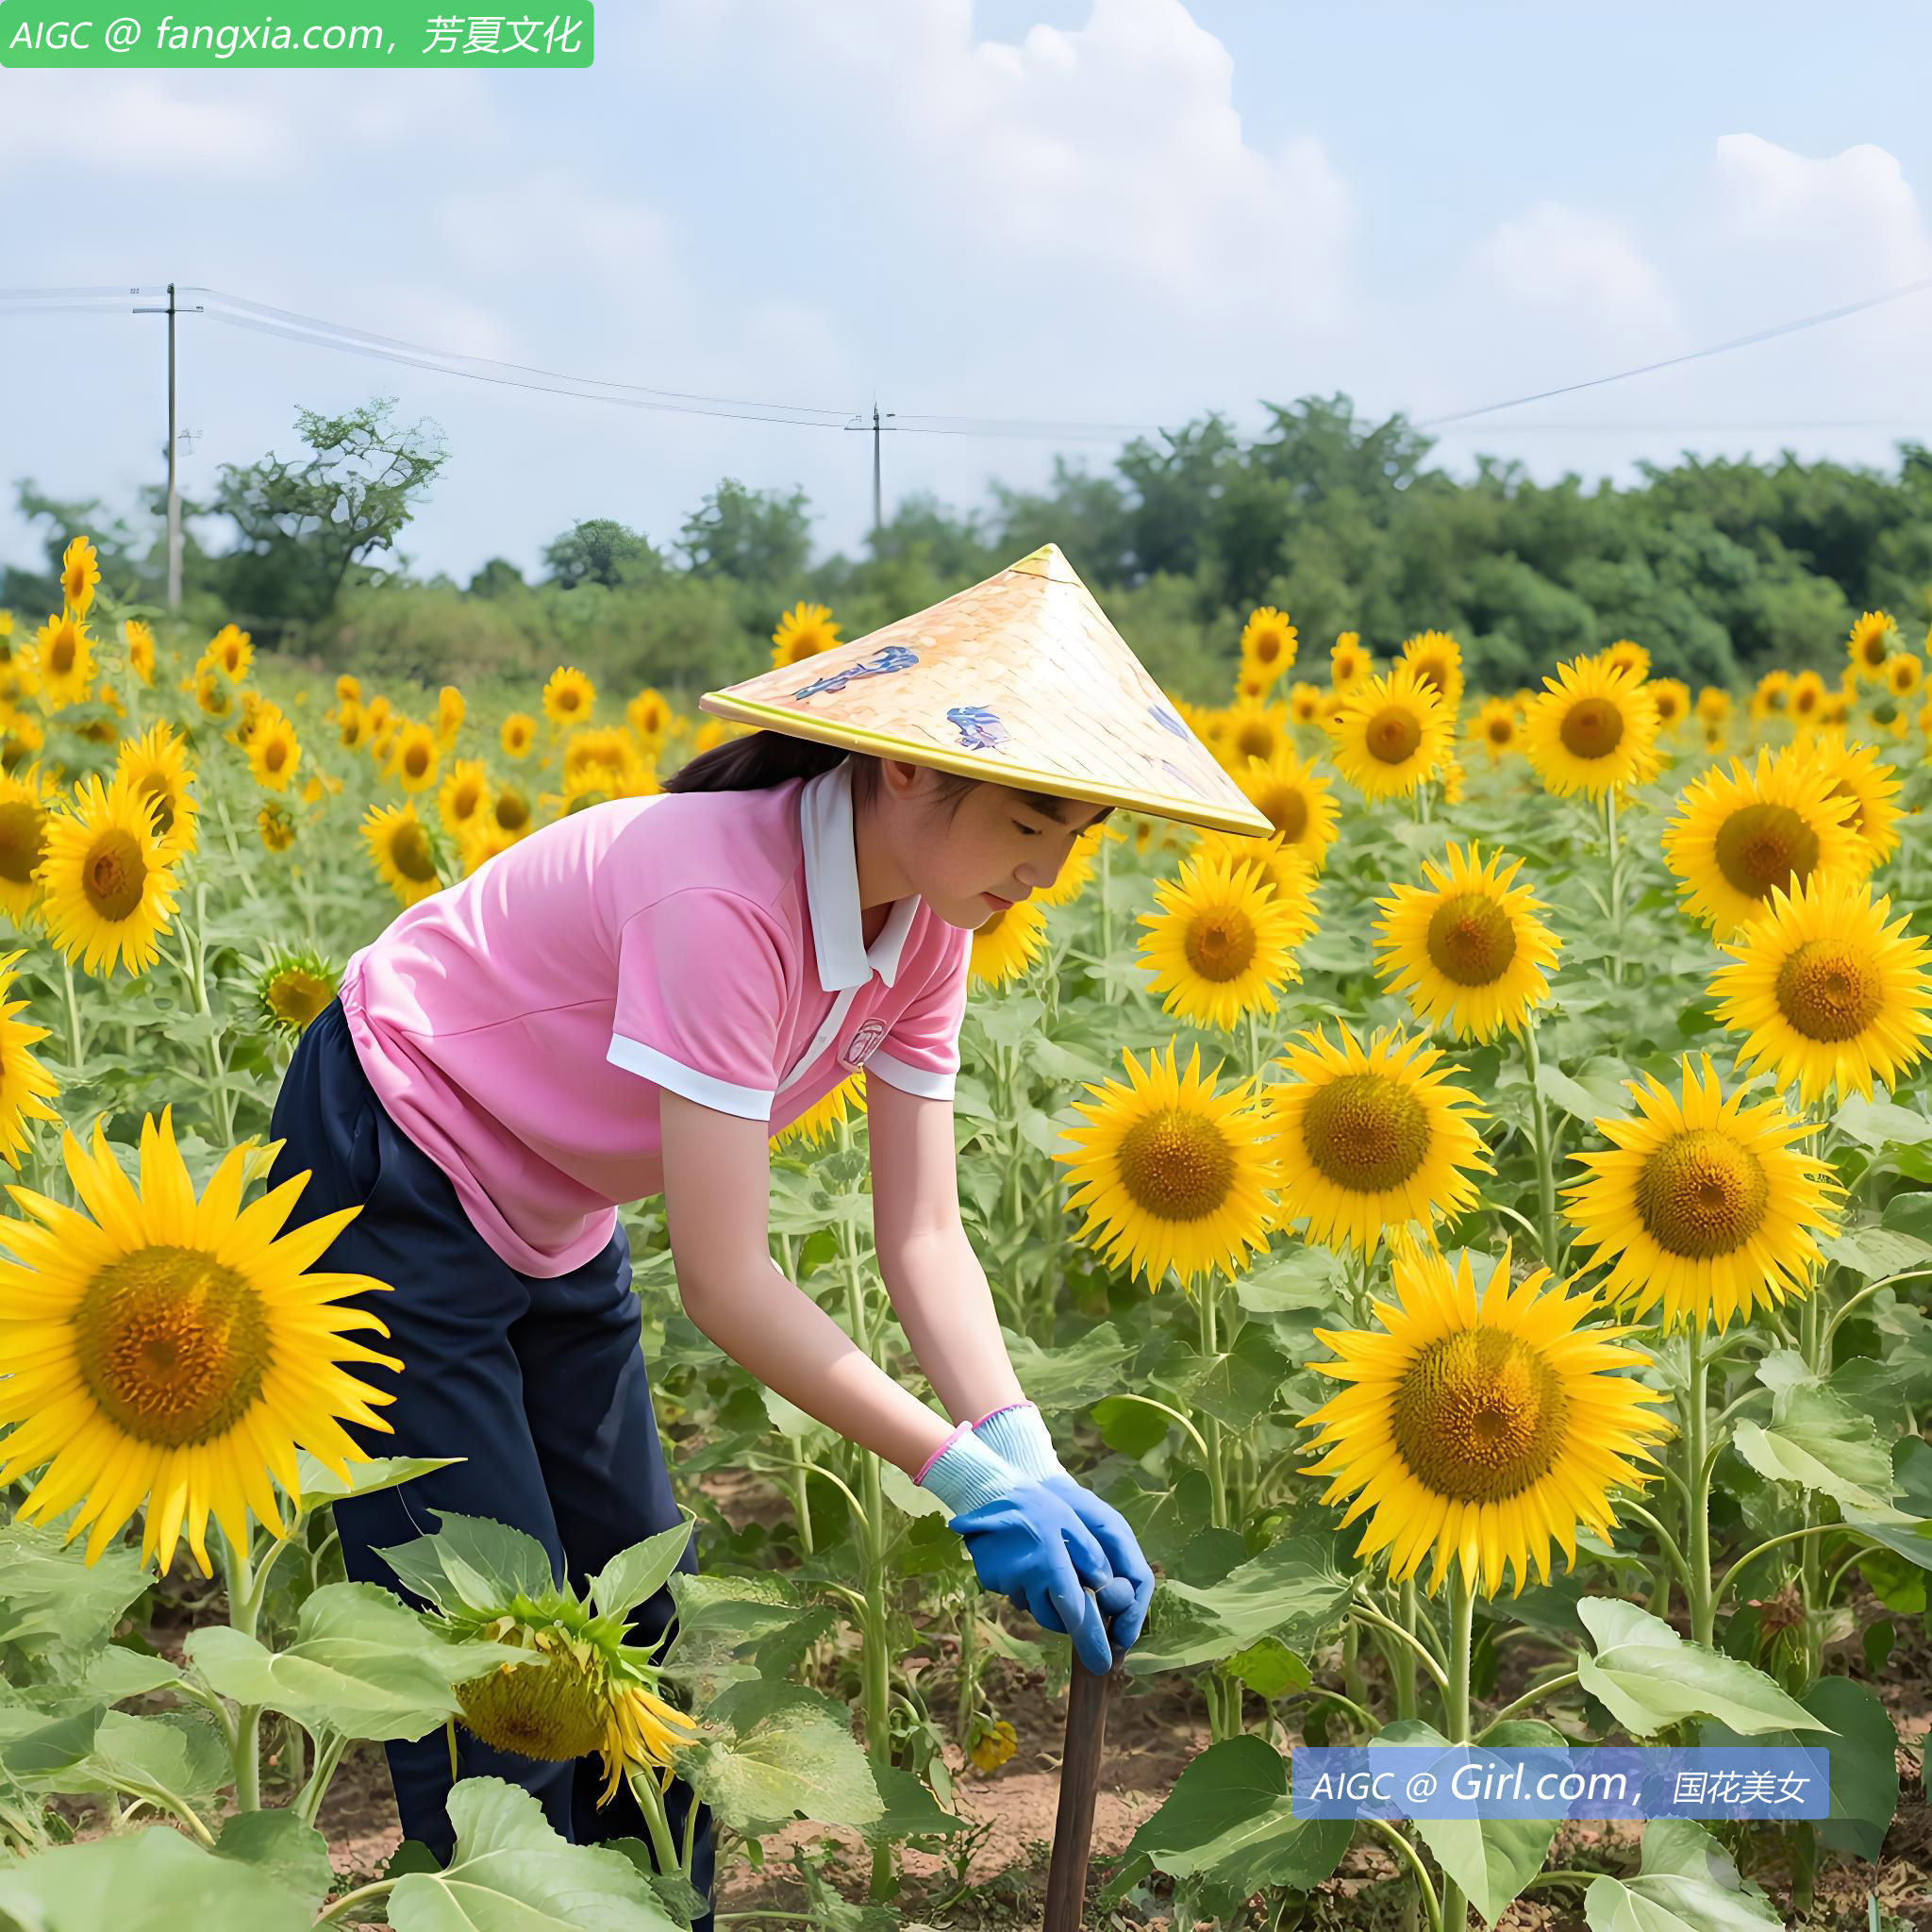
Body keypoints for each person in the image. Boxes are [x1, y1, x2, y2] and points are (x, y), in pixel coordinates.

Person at [265, 542, 1272, 1929]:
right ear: (907, 766)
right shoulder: (718, 893)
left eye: (1076, 836)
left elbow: (920, 1230)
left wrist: (1021, 1442)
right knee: (495, 1663)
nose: (1047, 869)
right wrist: (957, 1475)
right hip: (391, 1158)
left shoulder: (928, 925)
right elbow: (729, 1283)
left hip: (557, 1202)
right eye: (1032, 818)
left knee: (640, 1639)